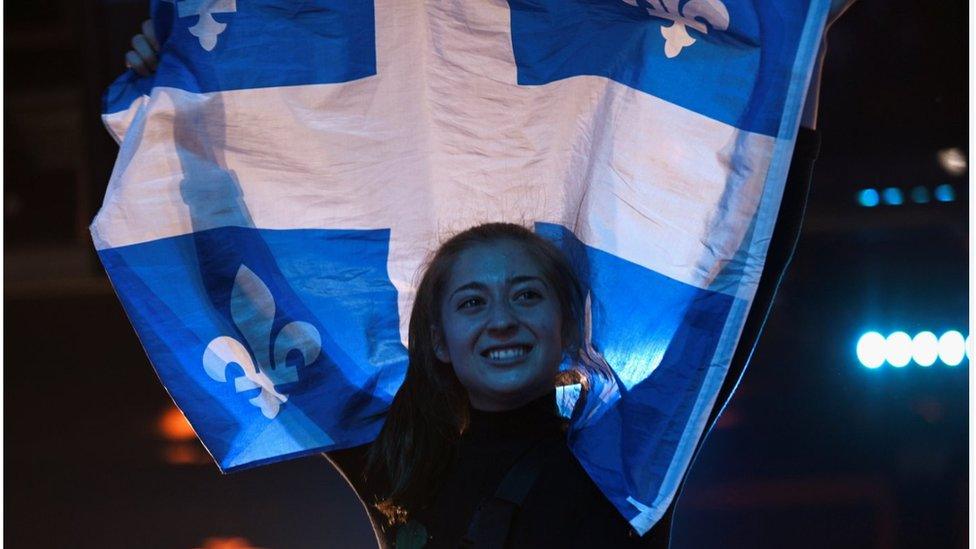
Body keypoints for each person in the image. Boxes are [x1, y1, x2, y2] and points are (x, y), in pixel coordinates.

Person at [119, 2, 856, 546]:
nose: (501, 317)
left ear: (566, 324)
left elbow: (748, 265)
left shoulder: (627, 462)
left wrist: (799, 58)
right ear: (437, 337)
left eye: (526, 294)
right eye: (471, 301)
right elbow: (219, 257)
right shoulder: (397, 462)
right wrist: (174, 106)